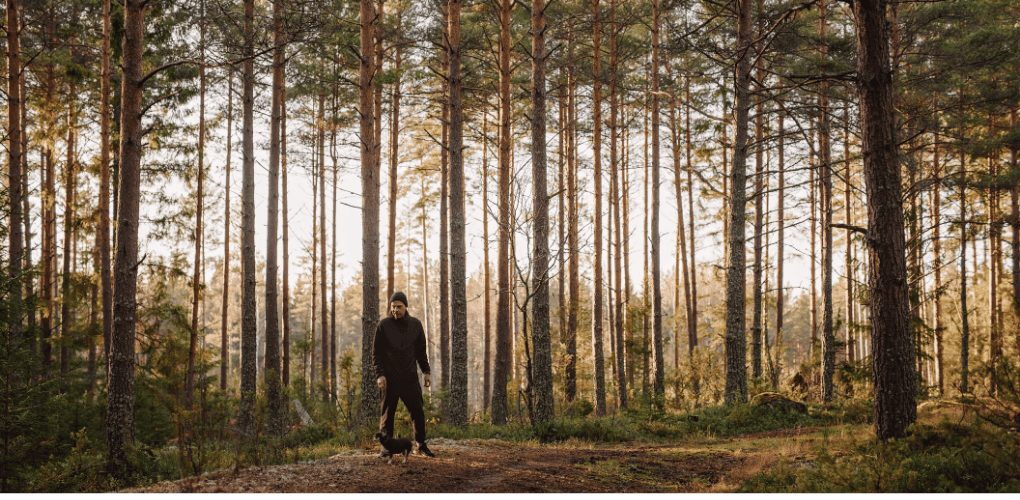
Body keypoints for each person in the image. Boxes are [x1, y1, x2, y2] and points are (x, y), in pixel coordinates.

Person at [373, 291, 435, 458]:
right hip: (389, 380)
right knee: (387, 415)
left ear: (406, 307)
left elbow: (421, 352)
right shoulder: (383, 325)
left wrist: (426, 372)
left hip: (409, 378)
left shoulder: (415, 325)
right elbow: (376, 354)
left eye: (399, 307)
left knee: (417, 412)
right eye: (393, 307)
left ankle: (421, 445)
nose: (395, 310)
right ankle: (386, 449)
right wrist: (380, 375)